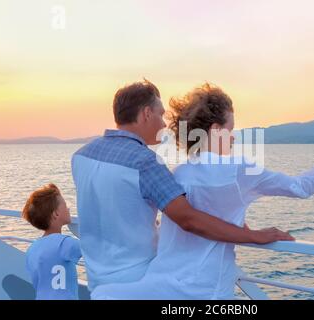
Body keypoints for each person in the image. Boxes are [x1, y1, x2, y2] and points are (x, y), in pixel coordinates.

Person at [91, 83, 314, 299]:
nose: (233, 137)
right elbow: (300, 187)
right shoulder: (239, 171)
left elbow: (206, 213)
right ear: (214, 130)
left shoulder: (178, 173)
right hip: (205, 288)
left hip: (162, 281)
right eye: (230, 128)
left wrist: (240, 223)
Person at [71, 80, 292, 293]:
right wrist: (254, 236)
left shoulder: (81, 156)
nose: (164, 124)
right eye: (161, 114)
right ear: (147, 113)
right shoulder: (145, 163)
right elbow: (188, 219)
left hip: (97, 279)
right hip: (138, 278)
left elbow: (115, 205)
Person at [22, 183, 82, 300]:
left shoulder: (32, 249)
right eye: (65, 205)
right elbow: (93, 247)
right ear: (56, 214)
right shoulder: (64, 243)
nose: (68, 208)